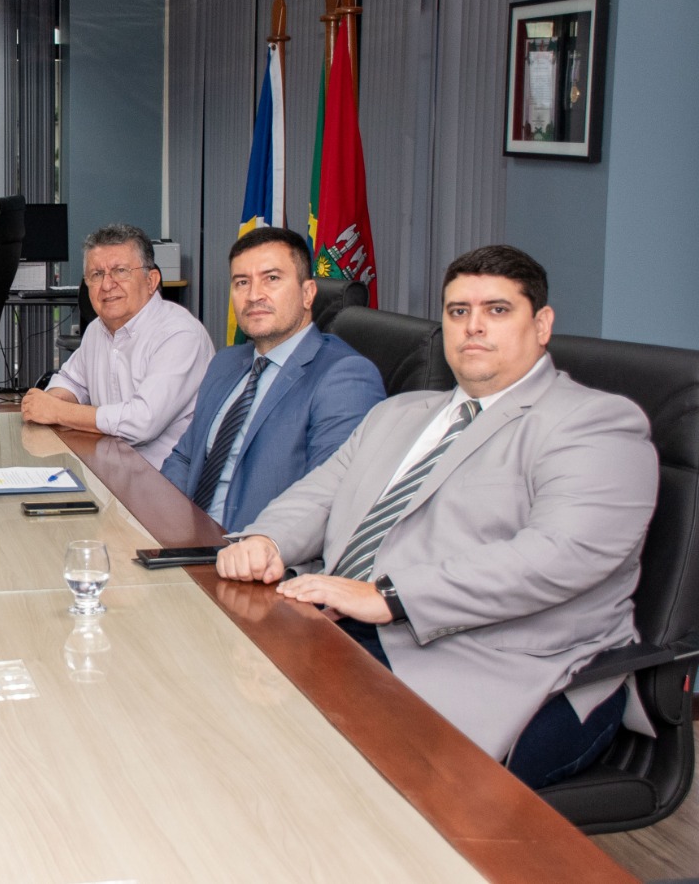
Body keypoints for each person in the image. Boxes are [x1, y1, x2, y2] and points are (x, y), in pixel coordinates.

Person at [217, 245, 657, 787]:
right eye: (457, 312)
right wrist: (268, 541)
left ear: (541, 325)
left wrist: (389, 595)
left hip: (498, 666)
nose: (473, 327)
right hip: (344, 626)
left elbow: (560, 556)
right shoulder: (400, 413)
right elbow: (318, 495)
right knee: (214, 703)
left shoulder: (593, 423)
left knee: (305, 768)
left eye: (497, 310)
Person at [161, 227, 383, 532]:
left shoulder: (344, 377)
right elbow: (185, 458)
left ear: (308, 294)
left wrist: (252, 550)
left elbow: (328, 502)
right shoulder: (225, 362)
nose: (254, 295)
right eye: (242, 282)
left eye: (272, 279)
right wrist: (158, 525)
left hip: (260, 557)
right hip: (187, 543)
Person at [21, 223, 213, 466]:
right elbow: (71, 380)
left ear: (151, 280)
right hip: (108, 475)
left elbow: (142, 422)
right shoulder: (97, 330)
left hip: (164, 487)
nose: (107, 285)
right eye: (97, 275)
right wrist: (53, 400)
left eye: (121, 271)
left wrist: (58, 412)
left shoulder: (179, 334)